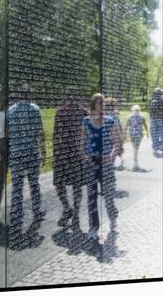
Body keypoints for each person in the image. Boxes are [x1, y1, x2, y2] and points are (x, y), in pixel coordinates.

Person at [8, 81, 47, 237]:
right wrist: (43, 152)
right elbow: (40, 133)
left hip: (16, 152)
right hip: (31, 152)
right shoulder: (35, 109)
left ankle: (16, 216)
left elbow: (9, 133)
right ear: (29, 95)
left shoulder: (11, 111)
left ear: (18, 94)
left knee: (17, 186)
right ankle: (37, 210)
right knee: (33, 184)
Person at [81, 93, 121, 241]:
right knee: (91, 196)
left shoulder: (110, 121)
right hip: (91, 162)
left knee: (107, 194)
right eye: (100, 103)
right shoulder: (85, 121)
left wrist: (111, 156)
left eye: (103, 103)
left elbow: (117, 141)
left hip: (105, 162)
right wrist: (83, 155)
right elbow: (83, 141)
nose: (103, 106)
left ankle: (112, 214)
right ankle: (93, 227)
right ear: (93, 105)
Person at [52, 88, 88, 232]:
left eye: (74, 96)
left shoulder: (83, 112)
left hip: (75, 153)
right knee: (60, 183)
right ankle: (68, 208)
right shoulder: (61, 112)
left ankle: (75, 213)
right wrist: (55, 152)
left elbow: (87, 134)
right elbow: (56, 134)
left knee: (75, 185)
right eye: (70, 96)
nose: (72, 98)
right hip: (64, 153)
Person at [125, 105, 150, 171]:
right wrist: (147, 133)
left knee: (134, 148)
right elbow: (145, 125)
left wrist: (125, 134)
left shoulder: (129, 116)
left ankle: (135, 163)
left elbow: (126, 126)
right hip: (139, 135)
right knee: (136, 148)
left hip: (132, 134)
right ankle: (135, 164)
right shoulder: (141, 116)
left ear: (132, 109)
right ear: (139, 110)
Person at [104, 97, 125, 171]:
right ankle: (111, 165)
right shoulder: (114, 115)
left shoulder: (105, 114)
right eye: (115, 104)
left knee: (111, 150)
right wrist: (121, 136)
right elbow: (118, 126)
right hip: (114, 135)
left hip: (107, 135)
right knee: (115, 149)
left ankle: (110, 165)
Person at [148, 88, 163, 157]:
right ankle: (160, 146)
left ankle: (155, 148)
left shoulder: (151, 99)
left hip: (153, 119)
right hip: (160, 118)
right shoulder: (162, 98)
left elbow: (149, 109)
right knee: (161, 133)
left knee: (154, 133)